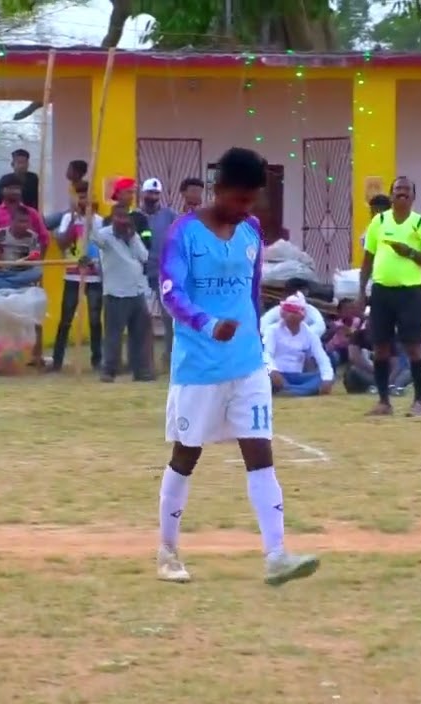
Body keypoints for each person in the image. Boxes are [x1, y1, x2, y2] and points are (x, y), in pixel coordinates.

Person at [155, 146, 319, 586]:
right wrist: (208, 324)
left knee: (260, 452)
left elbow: (249, 296)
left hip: (246, 363)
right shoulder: (183, 233)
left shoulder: (250, 232)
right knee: (186, 455)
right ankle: (167, 551)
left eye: (251, 201)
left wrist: (261, 350)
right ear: (218, 188)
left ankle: (277, 555)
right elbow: (170, 292)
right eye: (239, 199)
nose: (245, 209)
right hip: (199, 367)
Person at [357, 177, 421, 417]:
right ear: (392, 195)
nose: (402, 193)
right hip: (382, 292)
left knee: (414, 347)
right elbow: (368, 260)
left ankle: (419, 402)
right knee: (381, 347)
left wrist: (410, 252)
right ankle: (384, 402)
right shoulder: (378, 222)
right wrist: (362, 292)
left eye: (406, 190)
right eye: (398, 189)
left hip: (410, 293)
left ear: (413, 197)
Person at [91, 204, 153, 382]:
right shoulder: (105, 235)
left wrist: (133, 237)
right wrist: (86, 213)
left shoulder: (132, 235)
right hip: (116, 293)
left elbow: (144, 256)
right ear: (112, 217)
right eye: (119, 216)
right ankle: (109, 370)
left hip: (137, 290)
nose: (123, 220)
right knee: (113, 335)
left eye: (125, 217)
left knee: (140, 334)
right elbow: (93, 237)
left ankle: (141, 371)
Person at [51, 181, 105, 372]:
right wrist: (74, 220)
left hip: (94, 277)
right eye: (80, 196)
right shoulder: (67, 219)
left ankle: (97, 360)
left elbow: (102, 245)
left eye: (86, 196)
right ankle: (57, 361)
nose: (83, 200)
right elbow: (62, 244)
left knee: (95, 320)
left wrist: (90, 221)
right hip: (72, 276)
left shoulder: (99, 221)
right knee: (65, 319)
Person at [264, 293, 334, 397]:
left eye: (292, 311)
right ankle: (301, 391)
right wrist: (272, 370)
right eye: (286, 310)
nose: (288, 314)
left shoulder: (310, 334)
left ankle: (291, 391)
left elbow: (322, 358)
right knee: (265, 378)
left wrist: (327, 378)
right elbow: (266, 354)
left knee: (321, 377)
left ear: (302, 315)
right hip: (277, 374)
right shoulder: (272, 330)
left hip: (298, 376)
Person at [142, 177, 179, 370]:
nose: (153, 197)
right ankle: (143, 359)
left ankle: (170, 356)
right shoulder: (136, 216)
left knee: (168, 316)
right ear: (143, 194)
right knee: (142, 317)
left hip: (164, 272)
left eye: (156, 193)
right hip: (141, 273)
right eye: (150, 193)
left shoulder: (169, 215)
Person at [0, 205, 47, 290]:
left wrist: (27, 261)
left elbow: (35, 257)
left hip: (22, 273)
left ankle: (4, 284)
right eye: (21, 221)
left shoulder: (32, 237)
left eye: (26, 222)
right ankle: (15, 285)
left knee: (37, 272)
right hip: (2, 272)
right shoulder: (2, 233)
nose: (24, 225)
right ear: (12, 221)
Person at [259, 277, 326, 337]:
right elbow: (263, 325)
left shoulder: (310, 310)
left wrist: (300, 336)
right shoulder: (279, 310)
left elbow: (320, 326)